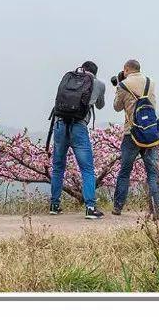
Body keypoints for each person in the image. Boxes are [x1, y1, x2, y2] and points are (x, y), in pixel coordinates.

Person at [48, 60, 106, 219]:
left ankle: (54, 205)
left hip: (59, 125)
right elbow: (100, 105)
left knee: (58, 167)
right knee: (87, 169)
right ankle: (90, 207)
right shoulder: (98, 83)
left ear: (82, 69)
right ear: (95, 72)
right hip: (78, 127)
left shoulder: (69, 79)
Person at [112, 58, 159, 219]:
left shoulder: (123, 85)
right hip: (150, 133)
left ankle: (118, 207)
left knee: (125, 172)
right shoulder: (150, 82)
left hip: (131, 133)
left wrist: (119, 86)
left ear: (126, 69)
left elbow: (116, 107)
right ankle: (157, 210)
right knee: (153, 173)